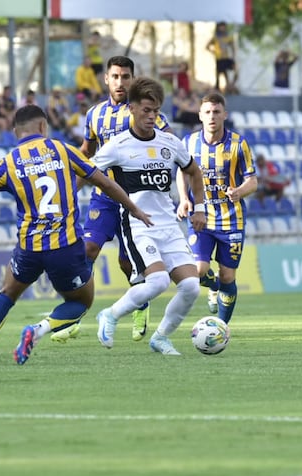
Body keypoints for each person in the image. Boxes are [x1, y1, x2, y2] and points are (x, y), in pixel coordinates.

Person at [0, 105, 151, 366]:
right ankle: (38, 330)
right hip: (65, 247)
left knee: (7, 293)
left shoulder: (9, 162)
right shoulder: (64, 151)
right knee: (81, 301)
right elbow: (104, 182)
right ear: (43, 127)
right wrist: (134, 208)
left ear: (16, 132)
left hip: (28, 248)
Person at [94, 77, 206, 356]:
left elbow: (193, 171)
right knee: (157, 282)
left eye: (156, 111)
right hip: (137, 224)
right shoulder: (118, 145)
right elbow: (89, 172)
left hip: (169, 224)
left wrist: (199, 207)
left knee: (192, 286)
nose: (151, 116)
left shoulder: (170, 142)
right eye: (146, 110)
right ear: (131, 108)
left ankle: (161, 337)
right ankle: (110, 314)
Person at [74, 55, 174, 344]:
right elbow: (87, 151)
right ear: (106, 79)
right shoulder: (94, 114)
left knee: (127, 264)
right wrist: (71, 181)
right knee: (89, 248)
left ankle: (140, 304)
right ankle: (75, 310)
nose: (120, 82)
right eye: (115, 76)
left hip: (137, 198)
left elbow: (169, 143)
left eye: (125, 76)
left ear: (133, 79)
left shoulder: (143, 111)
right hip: (103, 196)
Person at [177, 92, 257, 322]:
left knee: (228, 276)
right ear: (200, 116)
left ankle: (221, 327)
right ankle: (212, 286)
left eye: (216, 112)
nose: (212, 116)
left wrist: (239, 191)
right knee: (199, 270)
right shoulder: (189, 143)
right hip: (201, 216)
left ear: (225, 115)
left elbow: (253, 180)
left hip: (231, 219)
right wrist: (184, 198)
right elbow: (181, 173)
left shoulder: (238, 144)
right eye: (208, 112)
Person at [206, 22, 237, 94]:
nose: (223, 28)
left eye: (224, 26)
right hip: (219, 58)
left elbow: (232, 46)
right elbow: (207, 46)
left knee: (230, 71)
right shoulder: (216, 37)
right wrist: (214, 52)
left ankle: (229, 86)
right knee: (220, 72)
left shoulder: (228, 36)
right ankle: (222, 87)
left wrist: (233, 55)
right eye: (221, 26)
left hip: (226, 57)